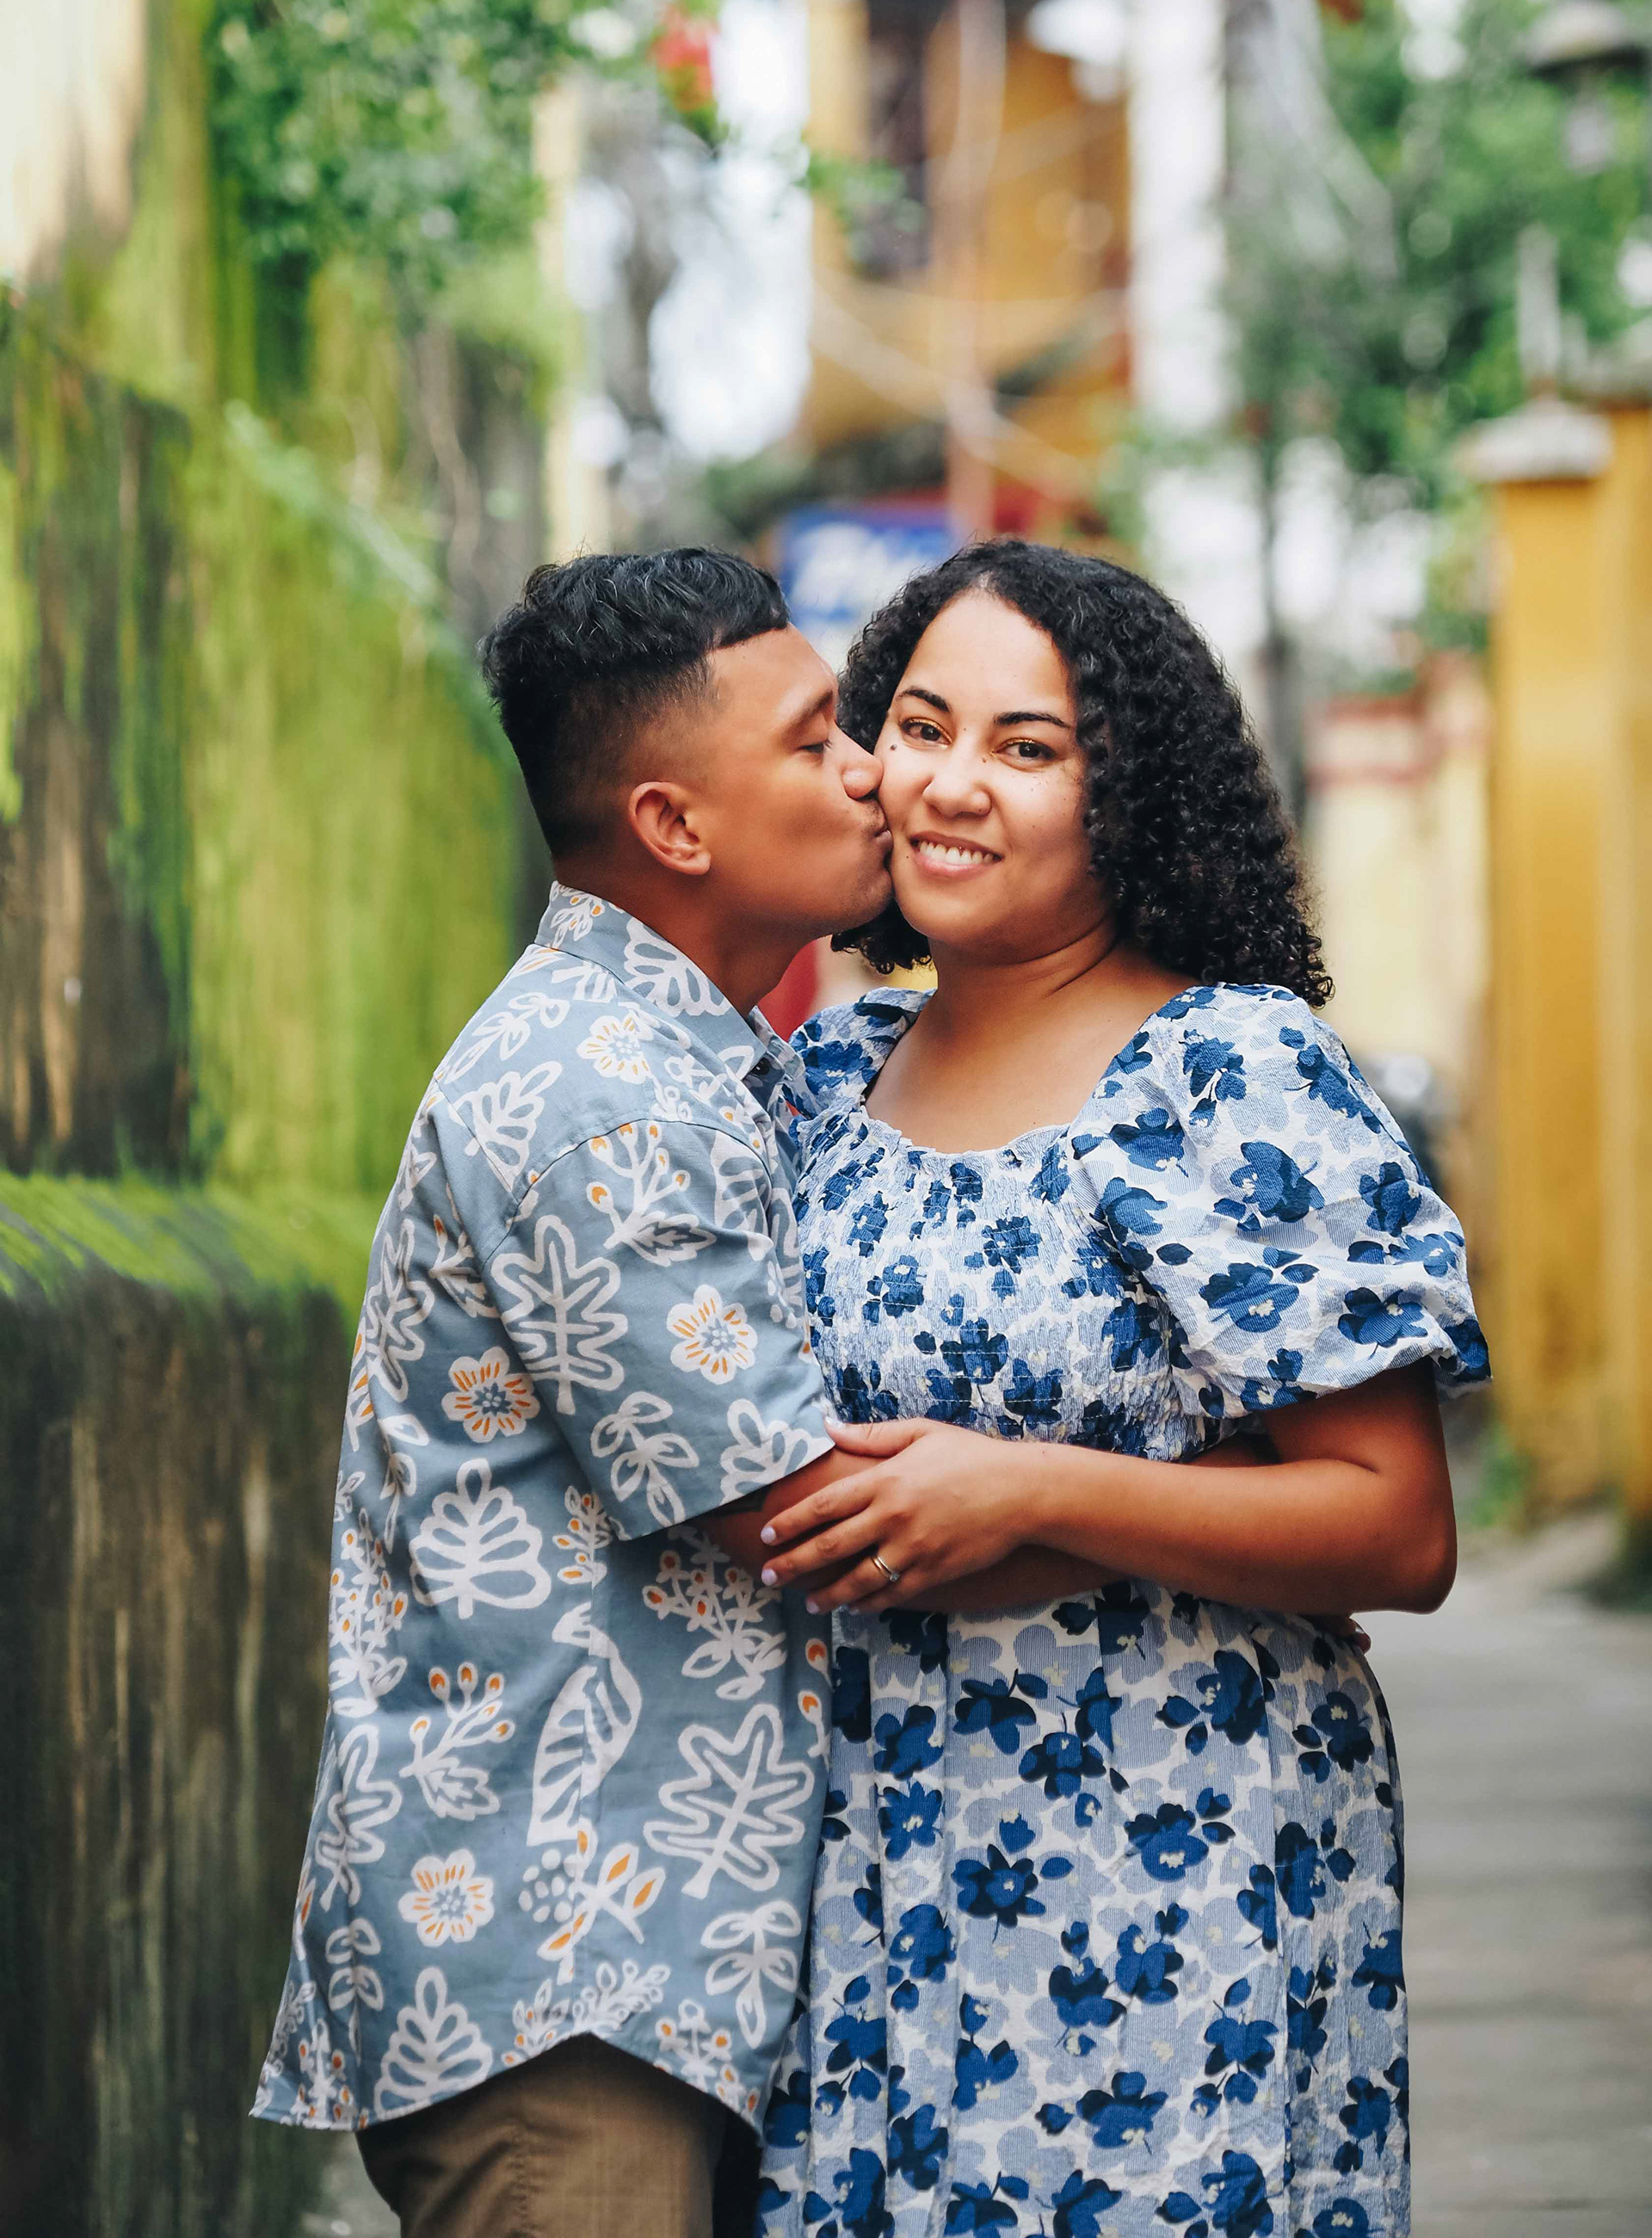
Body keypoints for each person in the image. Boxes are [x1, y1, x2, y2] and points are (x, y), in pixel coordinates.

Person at [752, 541, 1489, 2238]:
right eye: (921, 727)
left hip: (1170, 1863)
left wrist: (1035, 1494)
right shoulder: (823, 1081)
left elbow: (1398, 1525)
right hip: (869, 1856)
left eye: (1028, 748)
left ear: (1124, 796)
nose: (951, 785)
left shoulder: (1225, 1070)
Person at [255, 548, 910, 2238]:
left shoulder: (676, 1054)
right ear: (675, 824)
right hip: (565, 1984)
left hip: (631, 1959)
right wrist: (1202, 1537)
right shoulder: (597, 1087)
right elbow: (791, 1503)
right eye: (816, 737)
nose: (874, 772)